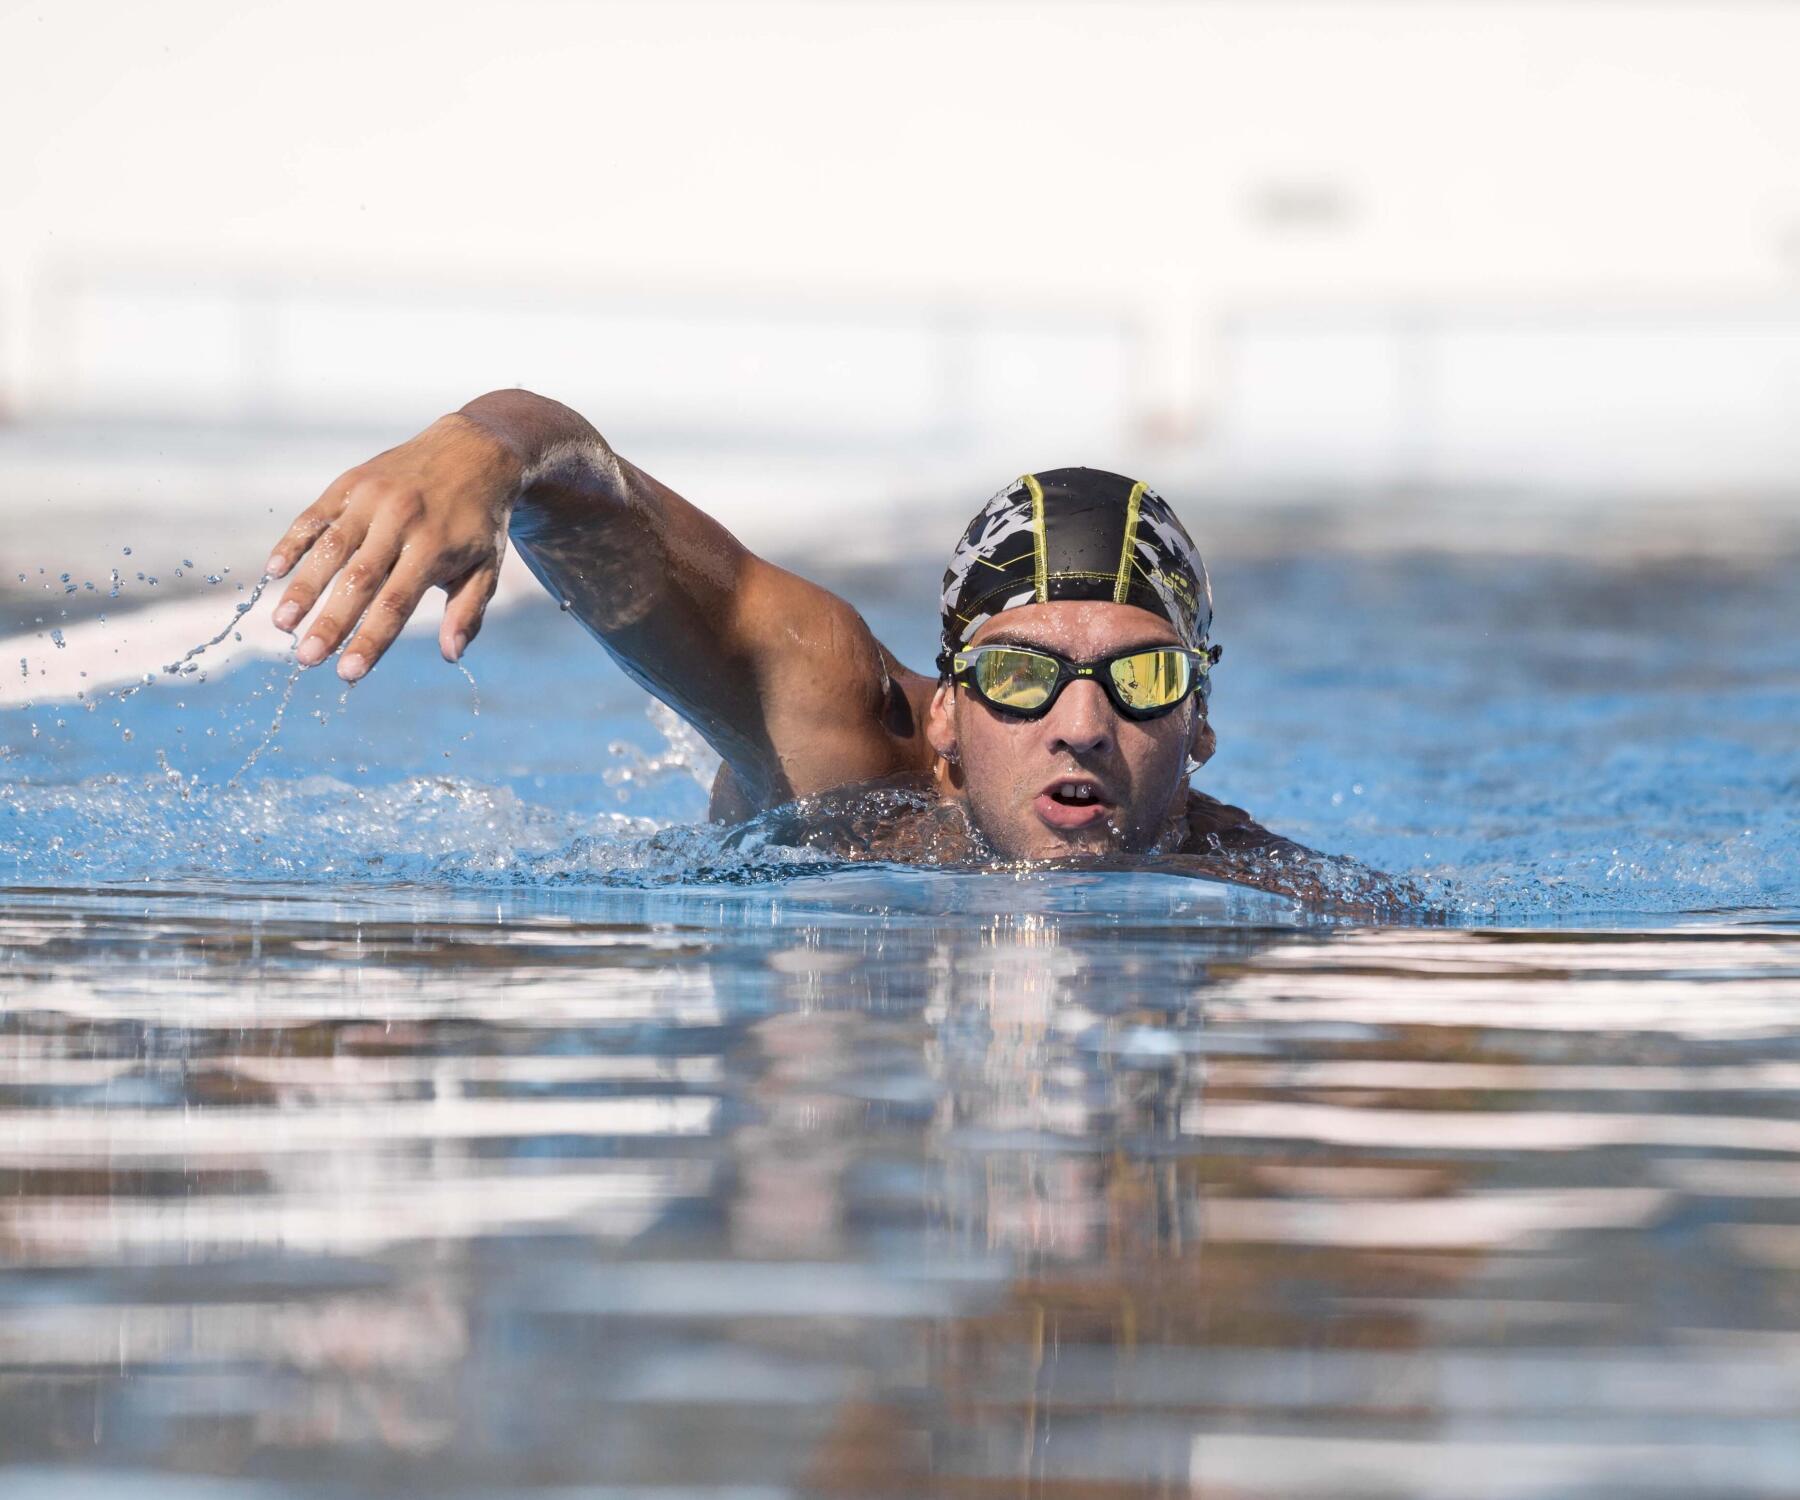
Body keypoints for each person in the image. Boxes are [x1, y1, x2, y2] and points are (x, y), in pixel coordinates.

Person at [262, 388, 1411, 911]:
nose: (1080, 727)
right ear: (948, 712)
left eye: (1143, 677)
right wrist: (489, 440)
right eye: (1019, 673)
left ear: (1201, 724)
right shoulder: (841, 736)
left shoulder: (1279, 889)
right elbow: (596, 498)